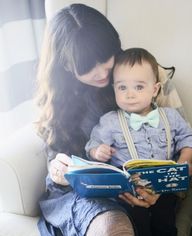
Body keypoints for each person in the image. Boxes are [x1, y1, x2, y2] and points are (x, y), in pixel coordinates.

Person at [35, 3, 136, 236]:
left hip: (133, 186)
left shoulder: (140, 73)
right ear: (66, 65)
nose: (101, 73)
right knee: (111, 226)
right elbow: (56, 158)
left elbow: (174, 139)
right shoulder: (59, 96)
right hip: (80, 193)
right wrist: (58, 170)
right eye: (88, 67)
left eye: (105, 58)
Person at [85, 48, 192, 236]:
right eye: (122, 87)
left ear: (155, 89)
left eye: (139, 87)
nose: (130, 94)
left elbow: (188, 137)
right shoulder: (110, 121)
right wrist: (98, 151)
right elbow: (93, 143)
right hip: (128, 193)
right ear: (114, 88)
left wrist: (185, 159)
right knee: (136, 226)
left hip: (164, 188)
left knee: (165, 225)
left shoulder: (170, 116)